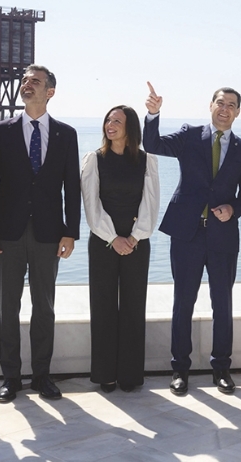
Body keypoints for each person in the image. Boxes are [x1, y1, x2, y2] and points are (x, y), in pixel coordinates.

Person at [143, 82, 241, 395]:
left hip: (223, 237)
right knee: (184, 302)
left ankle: (222, 368)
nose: (225, 108)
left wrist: (232, 208)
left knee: (223, 303)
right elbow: (152, 144)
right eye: (221, 102)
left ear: (238, 112)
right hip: (186, 234)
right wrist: (153, 114)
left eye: (231, 104)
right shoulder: (189, 136)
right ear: (210, 105)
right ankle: (180, 369)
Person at [0, 64, 80, 403]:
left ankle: (42, 376)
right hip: (6, 233)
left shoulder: (66, 134)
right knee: (8, 307)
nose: (27, 85)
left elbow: (72, 187)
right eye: (24, 80)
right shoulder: (2, 131)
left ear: (50, 91)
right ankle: (10, 378)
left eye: (35, 81)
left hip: (49, 233)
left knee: (44, 307)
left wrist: (70, 232)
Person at [80, 105, 160, 392]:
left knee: (133, 307)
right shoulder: (93, 160)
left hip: (138, 244)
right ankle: (105, 374)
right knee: (102, 307)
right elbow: (91, 206)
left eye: (117, 121)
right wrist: (113, 238)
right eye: (108, 120)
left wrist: (135, 237)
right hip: (103, 243)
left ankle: (130, 375)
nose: (110, 125)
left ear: (131, 128)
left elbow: (151, 204)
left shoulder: (147, 161)